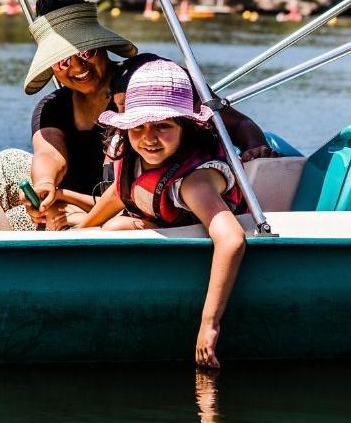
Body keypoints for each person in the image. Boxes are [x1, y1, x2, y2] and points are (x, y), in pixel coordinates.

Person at [0, 0, 273, 231]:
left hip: (119, 208)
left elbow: (235, 123)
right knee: (6, 166)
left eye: (85, 53)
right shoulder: (54, 106)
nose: (78, 67)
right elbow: (49, 154)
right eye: (64, 61)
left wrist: (255, 147)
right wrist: (44, 186)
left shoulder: (147, 83)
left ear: (102, 46)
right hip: (79, 203)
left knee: (9, 222)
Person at [75, 59, 247, 369]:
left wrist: (209, 324)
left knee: (115, 229)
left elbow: (232, 239)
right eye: (138, 126)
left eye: (163, 126)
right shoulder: (136, 153)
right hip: (161, 220)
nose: (148, 138)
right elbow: (121, 191)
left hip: (194, 237)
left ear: (186, 127)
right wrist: (75, 235)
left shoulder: (194, 183)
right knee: (109, 228)